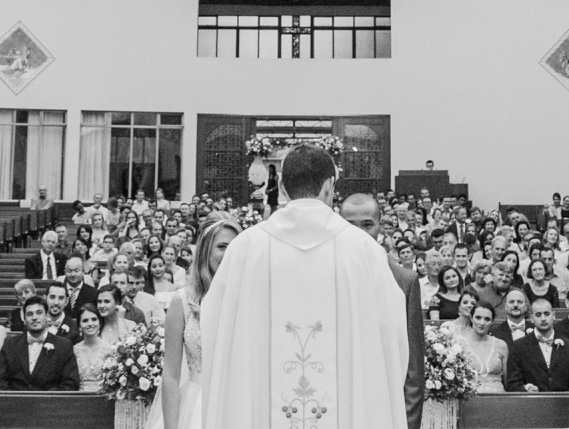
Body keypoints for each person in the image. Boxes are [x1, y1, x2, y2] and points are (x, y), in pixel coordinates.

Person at [202, 145, 406, 429]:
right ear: (329, 185)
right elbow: (392, 338)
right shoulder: (364, 251)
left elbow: (214, 331)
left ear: (283, 188)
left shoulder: (245, 249)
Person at [336, 193, 425, 429]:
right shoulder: (323, 275)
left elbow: (413, 373)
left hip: (384, 409)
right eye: (350, 225)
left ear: (380, 226)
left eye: (367, 225)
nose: (359, 233)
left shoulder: (404, 280)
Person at [153, 217, 236, 429]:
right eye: (222, 247)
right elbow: (171, 374)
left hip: (237, 404)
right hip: (196, 406)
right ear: (206, 251)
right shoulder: (182, 301)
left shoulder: (248, 299)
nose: (229, 253)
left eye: (235, 247)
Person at [0, 296, 79, 390]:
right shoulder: (10, 344)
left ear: (46, 316)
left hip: (50, 403)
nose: (34, 318)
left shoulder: (64, 346)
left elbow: (71, 384)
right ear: (24, 319)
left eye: (39, 313)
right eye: (30, 314)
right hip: (15, 402)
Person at [504, 296, 569, 392]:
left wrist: (565, 400)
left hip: (564, 404)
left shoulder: (568, 346)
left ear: (553, 315)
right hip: (532, 403)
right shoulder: (518, 346)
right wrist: (525, 390)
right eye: (538, 315)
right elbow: (513, 384)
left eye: (546, 314)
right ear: (531, 318)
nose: (543, 319)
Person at [460, 301, 509, 393]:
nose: (482, 323)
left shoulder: (501, 345)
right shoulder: (460, 345)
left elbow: (507, 382)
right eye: (478, 318)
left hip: (499, 400)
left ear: (492, 321)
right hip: (470, 399)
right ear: (471, 318)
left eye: (487, 319)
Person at [73, 307, 113, 394]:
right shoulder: (74, 351)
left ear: (100, 323)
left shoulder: (109, 350)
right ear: (79, 326)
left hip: (103, 399)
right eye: (85, 321)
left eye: (94, 319)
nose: (90, 323)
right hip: (78, 400)